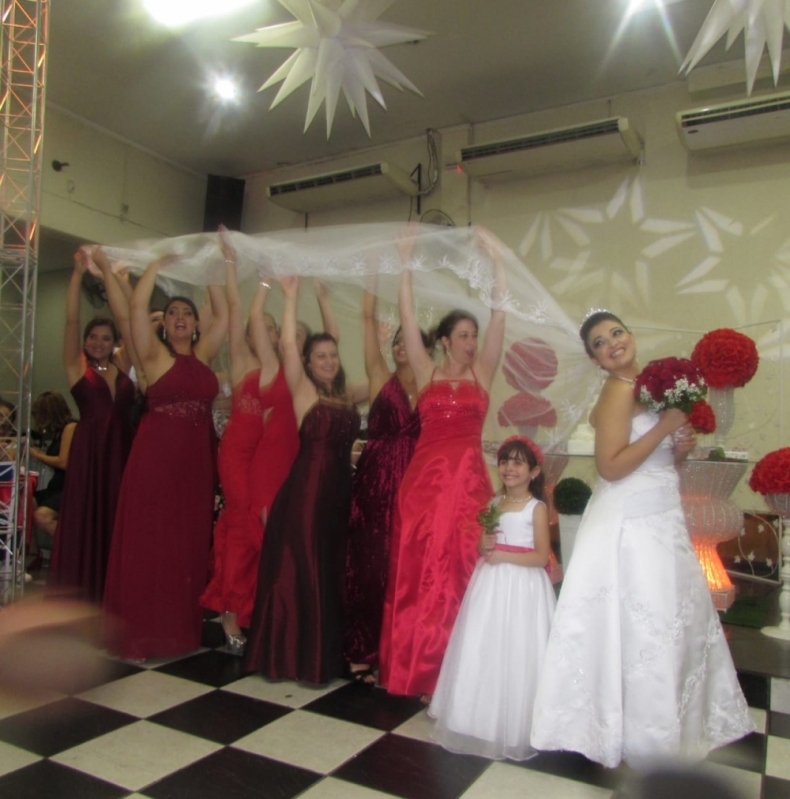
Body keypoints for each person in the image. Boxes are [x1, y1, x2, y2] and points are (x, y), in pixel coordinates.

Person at [530, 310, 754, 768]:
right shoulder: (619, 389)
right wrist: (665, 428)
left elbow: (650, 462)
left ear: (630, 335)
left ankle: (663, 726)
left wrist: (677, 449)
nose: (611, 343)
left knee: (666, 621)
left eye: (616, 333)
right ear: (595, 359)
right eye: (599, 343)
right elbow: (611, 467)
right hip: (630, 526)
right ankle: (638, 734)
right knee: (647, 622)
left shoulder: (649, 390)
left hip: (660, 516)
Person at [379, 228, 506, 701]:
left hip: (469, 482)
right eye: (465, 335)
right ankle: (418, 667)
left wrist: (497, 263)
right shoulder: (425, 370)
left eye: (474, 336)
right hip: (425, 484)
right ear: (447, 341)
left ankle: (461, 673)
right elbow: (408, 318)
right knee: (421, 570)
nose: (473, 342)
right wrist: (406, 262)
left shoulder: (482, 372)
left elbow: (500, 317)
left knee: (462, 570)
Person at [103, 249, 228, 661]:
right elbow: (137, 307)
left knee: (184, 547)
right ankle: (140, 633)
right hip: (156, 461)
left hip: (195, 465)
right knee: (150, 543)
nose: (179, 317)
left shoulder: (204, 356)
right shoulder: (155, 356)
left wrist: (213, 268)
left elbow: (223, 316)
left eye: (186, 313)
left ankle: (175, 632)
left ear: (194, 325)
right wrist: (158, 263)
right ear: (166, 322)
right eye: (173, 311)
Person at [244, 275, 360, 685]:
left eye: (332, 355)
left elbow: (336, 336)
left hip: (338, 491)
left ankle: (321, 654)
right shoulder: (304, 391)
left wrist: (325, 299)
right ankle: (296, 657)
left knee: (327, 568)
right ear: (308, 364)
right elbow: (289, 345)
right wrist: (291, 296)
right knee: (306, 567)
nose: (328, 361)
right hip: (308, 490)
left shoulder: (344, 396)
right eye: (320, 356)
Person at [429, 435, 556, 761]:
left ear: (534, 471)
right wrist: (485, 547)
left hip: (522, 586)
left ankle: (517, 724)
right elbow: (482, 547)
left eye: (518, 462)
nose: (509, 468)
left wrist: (503, 556)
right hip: (490, 583)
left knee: (518, 647)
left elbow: (541, 557)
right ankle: (477, 717)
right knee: (485, 644)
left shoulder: (536, 508)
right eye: (504, 461)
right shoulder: (493, 504)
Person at [343, 279, 426, 683]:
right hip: (375, 484)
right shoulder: (379, 376)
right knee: (371, 566)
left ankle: (399, 652)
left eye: (406, 342)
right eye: (395, 342)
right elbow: (365, 317)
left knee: (405, 570)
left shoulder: (433, 384)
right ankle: (362, 649)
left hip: (416, 484)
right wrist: (373, 279)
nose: (398, 347)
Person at [49, 249, 136, 601]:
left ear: (113, 341)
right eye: (93, 337)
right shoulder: (76, 368)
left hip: (122, 452)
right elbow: (71, 320)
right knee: (86, 521)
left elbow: (130, 319)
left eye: (105, 337)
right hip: (89, 454)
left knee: (115, 520)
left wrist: (117, 281)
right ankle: (78, 597)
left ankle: (110, 594)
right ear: (85, 341)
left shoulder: (123, 363)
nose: (98, 342)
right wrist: (75, 275)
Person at [200, 235, 274, 652]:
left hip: (266, 462)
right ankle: (229, 615)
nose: (263, 333)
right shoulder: (244, 362)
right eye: (259, 328)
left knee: (260, 532)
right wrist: (236, 267)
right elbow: (232, 308)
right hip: (236, 455)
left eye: (271, 329)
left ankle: (248, 611)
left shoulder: (281, 374)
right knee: (242, 530)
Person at [29, 392, 77, 540]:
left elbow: (63, 462)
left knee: (42, 516)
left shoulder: (71, 428)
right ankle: (33, 552)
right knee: (26, 502)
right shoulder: (57, 433)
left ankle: (72, 546)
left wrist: (36, 455)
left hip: (69, 487)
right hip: (55, 486)